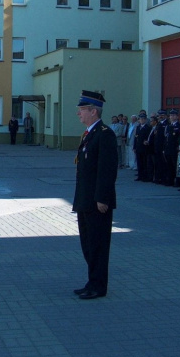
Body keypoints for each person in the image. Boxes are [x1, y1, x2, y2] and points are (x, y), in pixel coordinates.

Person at [72, 90, 117, 300]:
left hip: (97, 202)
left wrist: (102, 198)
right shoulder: (90, 134)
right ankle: (91, 281)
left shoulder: (105, 134)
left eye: (82, 110)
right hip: (85, 200)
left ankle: (99, 286)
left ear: (93, 111)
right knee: (88, 244)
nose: (78, 114)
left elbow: (107, 170)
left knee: (98, 245)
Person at [163, 109, 180, 186]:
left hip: (175, 149)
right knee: (169, 165)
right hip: (168, 149)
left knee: (175, 166)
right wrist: (164, 148)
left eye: (174, 115)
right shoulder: (168, 126)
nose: (172, 117)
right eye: (171, 115)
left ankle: (178, 182)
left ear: (177, 117)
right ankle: (170, 180)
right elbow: (166, 138)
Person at [133, 112, 151, 181]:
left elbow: (148, 138)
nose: (142, 120)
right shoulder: (137, 127)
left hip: (144, 148)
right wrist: (134, 147)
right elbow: (136, 138)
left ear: (145, 120)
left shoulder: (148, 128)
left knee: (144, 162)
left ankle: (145, 176)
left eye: (143, 119)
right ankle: (140, 176)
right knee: (139, 162)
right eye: (140, 119)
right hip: (138, 147)